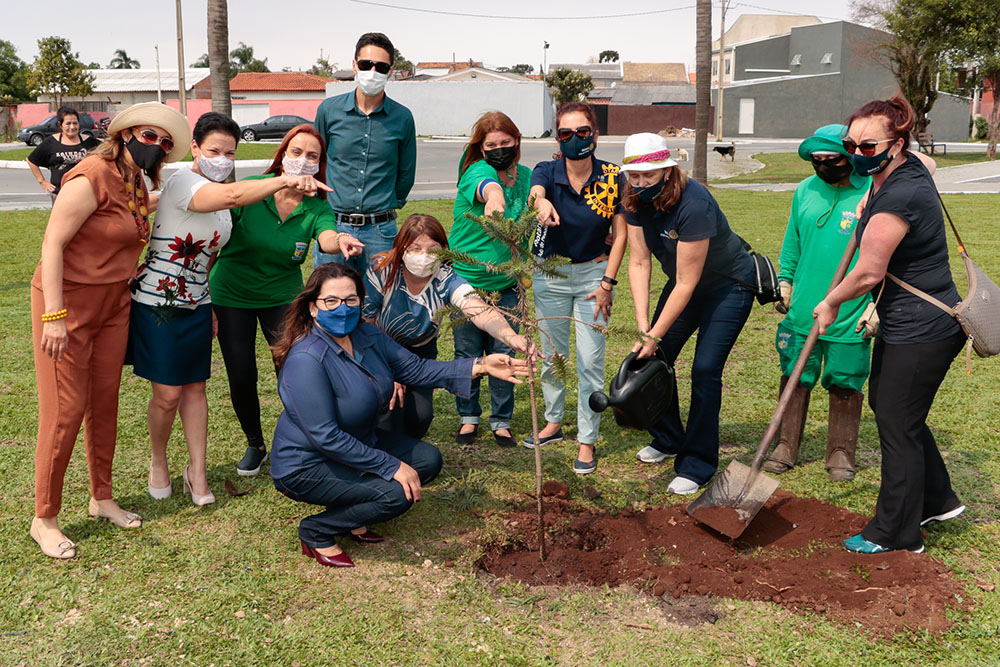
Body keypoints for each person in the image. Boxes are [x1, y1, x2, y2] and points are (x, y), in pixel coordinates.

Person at [132, 113, 334, 505]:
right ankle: (170, 460)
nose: (222, 159)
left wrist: (337, 239)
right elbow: (230, 199)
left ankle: (201, 471)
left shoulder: (240, 195)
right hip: (178, 299)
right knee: (179, 391)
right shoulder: (227, 188)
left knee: (200, 389)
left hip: (209, 299)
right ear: (194, 148)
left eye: (229, 152)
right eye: (214, 151)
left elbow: (212, 246)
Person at [269, 263, 529, 567]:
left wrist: (482, 365)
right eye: (331, 301)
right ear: (313, 308)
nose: (342, 308)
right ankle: (317, 530)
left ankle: (350, 510)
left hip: (359, 442)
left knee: (427, 461)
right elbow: (325, 436)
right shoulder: (306, 359)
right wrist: (389, 465)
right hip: (307, 462)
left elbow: (417, 369)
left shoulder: (366, 334)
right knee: (397, 493)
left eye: (351, 300)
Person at [30, 102, 189, 559]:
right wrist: (54, 316)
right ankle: (45, 518)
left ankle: (102, 497)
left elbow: (134, 217)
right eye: (148, 136)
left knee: (104, 402)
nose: (155, 146)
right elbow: (53, 243)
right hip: (68, 303)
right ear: (124, 134)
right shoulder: (91, 174)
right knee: (65, 410)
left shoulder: (135, 181)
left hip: (113, 303)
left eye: (163, 142)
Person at [814, 95, 966, 554]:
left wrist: (831, 302)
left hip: (925, 325)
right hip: (910, 320)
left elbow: (867, 273)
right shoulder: (907, 168)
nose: (858, 155)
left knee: (897, 423)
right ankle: (936, 499)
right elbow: (927, 163)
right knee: (892, 407)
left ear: (896, 144)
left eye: (868, 147)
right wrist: (868, 194)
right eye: (852, 145)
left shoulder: (899, 195)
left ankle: (897, 533)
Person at [209, 125, 364, 477]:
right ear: (282, 156)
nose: (303, 160)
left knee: (295, 370)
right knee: (242, 372)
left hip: (282, 297)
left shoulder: (317, 205)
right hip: (232, 295)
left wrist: (339, 240)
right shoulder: (253, 191)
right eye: (296, 152)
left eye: (312, 156)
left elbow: (325, 237)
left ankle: (303, 438)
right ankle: (255, 443)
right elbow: (215, 238)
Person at [623, 132, 756, 495]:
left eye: (648, 175)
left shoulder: (694, 203)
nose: (640, 183)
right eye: (634, 175)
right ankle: (668, 438)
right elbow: (638, 262)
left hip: (727, 286)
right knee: (652, 358)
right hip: (685, 284)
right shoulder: (632, 197)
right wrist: (643, 328)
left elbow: (686, 282)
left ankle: (698, 463)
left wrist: (653, 335)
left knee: (705, 369)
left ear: (668, 169)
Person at [763, 124, 874, 482]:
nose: (825, 166)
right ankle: (785, 445)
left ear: (850, 157)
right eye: (817, 161)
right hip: (804, 309)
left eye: (833, 159)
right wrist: (785, 279)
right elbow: (793, 239)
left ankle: (841, 451)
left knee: (845, 379)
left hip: (851, 310)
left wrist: (876, 304)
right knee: (795, 373)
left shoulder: (872, 192)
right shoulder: (804, 191)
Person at [525, 101, 628, 475]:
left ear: (595, 135)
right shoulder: (547, 171)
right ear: (558, 138)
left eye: (582, 132)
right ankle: (553, 422)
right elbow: (535, 195)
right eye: (566, 134)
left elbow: (621, 236)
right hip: (548, 274)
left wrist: (607, 283)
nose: (575, 140)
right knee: (552, 356)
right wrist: (542, 203)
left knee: (589, 361)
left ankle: (587, 441)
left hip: (592, 277)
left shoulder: (614, 177)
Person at [363, 213, 532, 440]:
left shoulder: (446, 277)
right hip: (380, 348)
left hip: (421, 353)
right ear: (401, 247)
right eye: (415, 248)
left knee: (421, 415)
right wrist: (383, 368)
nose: (424, 257)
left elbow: (477, 309)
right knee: (386, 405)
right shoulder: (382, 271)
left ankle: (410, 450)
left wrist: (511, 337)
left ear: (444, 250)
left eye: (433, 249)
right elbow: (367, 323)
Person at [448, 111, 532, 448]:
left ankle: (501, 420)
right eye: (491, 144)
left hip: (509, 284)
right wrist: (495, 198)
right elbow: (488, 189)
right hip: (466, 283)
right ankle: (468, 417)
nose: (499, 149)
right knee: (467, 352)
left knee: (507, 349)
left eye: (505, 143)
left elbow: (537, 201)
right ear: (480, 149)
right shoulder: (474, 172)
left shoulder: (526, 177)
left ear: (517, 142)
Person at [313, 32, 416, 271]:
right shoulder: (329, 110)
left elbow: (406, 173)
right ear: (354, 65)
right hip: (334, 226)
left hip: (381, 230)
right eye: (366, 64)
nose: (373, 72)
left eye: (381, 67)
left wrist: (387, 203)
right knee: (330, 301)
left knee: (378, 303)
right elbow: (316, 162)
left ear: (390, 71)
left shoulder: (403, 118)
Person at [26, 106, 100, 201]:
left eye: (75, 123)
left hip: (86, 195)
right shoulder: (51, 143)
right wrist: (42, 182)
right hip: (60, 195)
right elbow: (31, 160)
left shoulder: (90, 142)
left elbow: (108, 153)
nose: (72, 127)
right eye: (68, 123)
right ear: (60, 125)